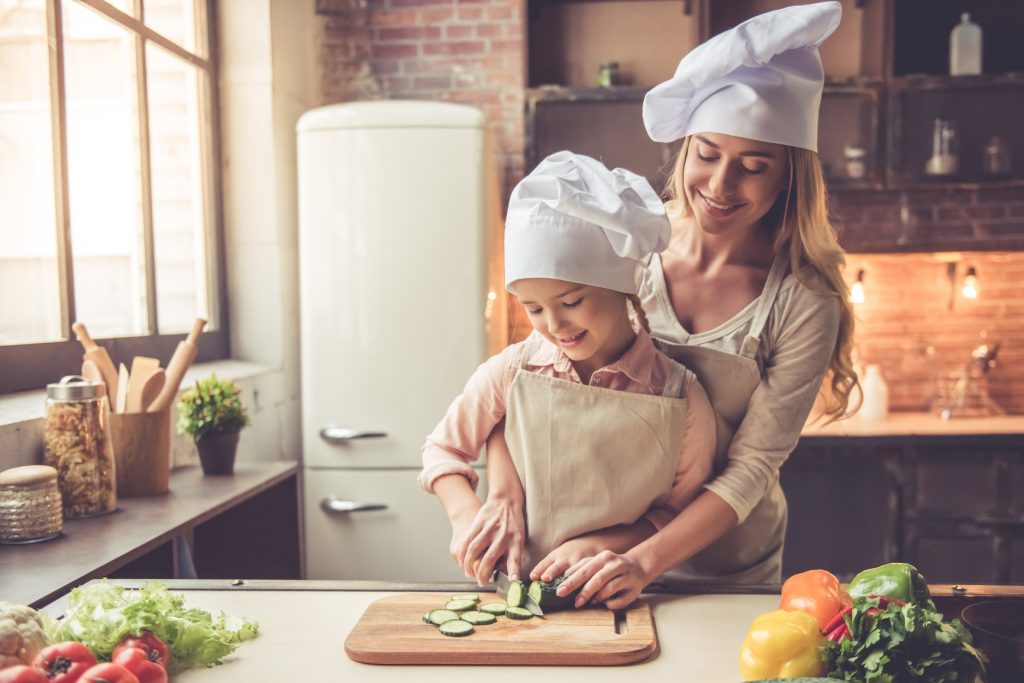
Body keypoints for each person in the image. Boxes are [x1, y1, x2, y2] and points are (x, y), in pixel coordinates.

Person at [454, 1, 860, 610]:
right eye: (707, 154)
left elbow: (751, 468)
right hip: (586, 546)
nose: (720, 187)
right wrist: (504, 492)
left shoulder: (804, 300)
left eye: (752, 167)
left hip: (722, 567)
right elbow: (527, 380)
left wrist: (642, 559)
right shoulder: (626, 241)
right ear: (685, 149)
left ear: (788, 179)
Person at [418, 151, 717, 588]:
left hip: (621, 596)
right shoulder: (512, 370)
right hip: (513, 595)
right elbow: (441, 450)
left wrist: (603, 543)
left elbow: (676, 514)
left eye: (572, 302)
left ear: (621, 287)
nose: (554, 325)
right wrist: (468, 515)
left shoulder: (678, 396)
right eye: (533, 307)